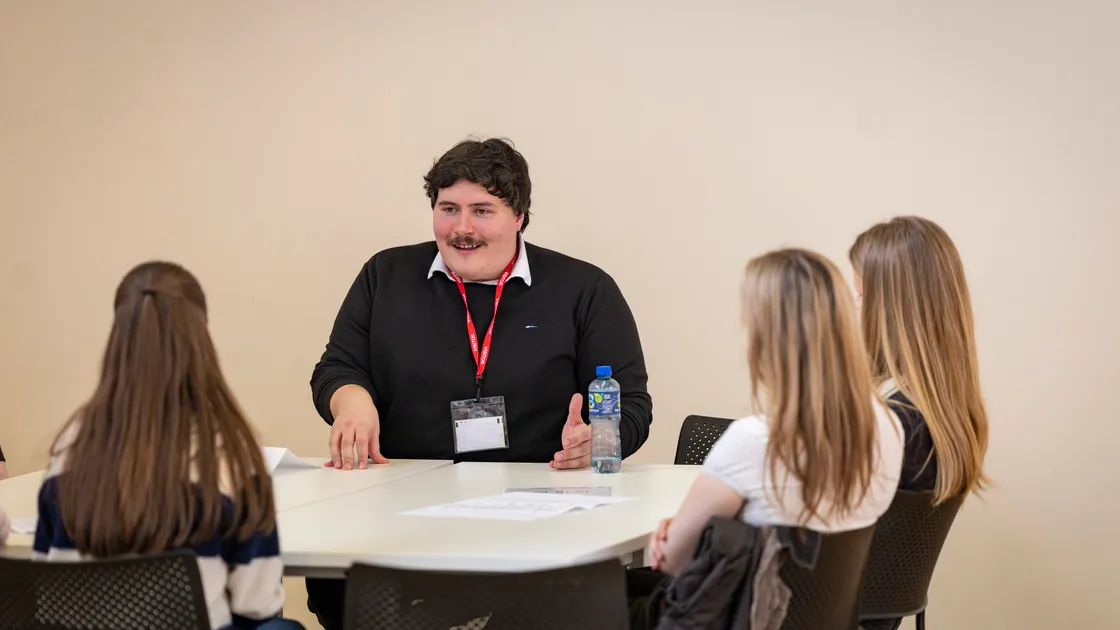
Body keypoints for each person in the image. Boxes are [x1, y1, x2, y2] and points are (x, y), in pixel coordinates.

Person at [305, 137, 653, 628]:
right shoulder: (385, 275)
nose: (462, 228)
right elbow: (337, 367)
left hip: (538, 520)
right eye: (448, 208)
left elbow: (632, 403)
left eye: (482, 211)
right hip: (400, 510)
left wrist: (599, 438)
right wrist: (351, 403)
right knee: (338, 585)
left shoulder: (584, 289)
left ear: (520, 217)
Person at [632, 249, 904, 628]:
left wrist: (673, 536)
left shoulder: (755, 441)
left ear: (766, 337)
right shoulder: (889, 427)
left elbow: (673, 561)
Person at [32, 261, 303, 630]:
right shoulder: (230, 452)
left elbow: (45, 583)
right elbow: (256, 604)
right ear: (204, 334)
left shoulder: (72, 444)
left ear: (118, 336)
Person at [850, 216, 990, 630]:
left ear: (890, 307)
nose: (853, 304)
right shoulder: (944, 418)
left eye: (859, 293)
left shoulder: (893, 423)